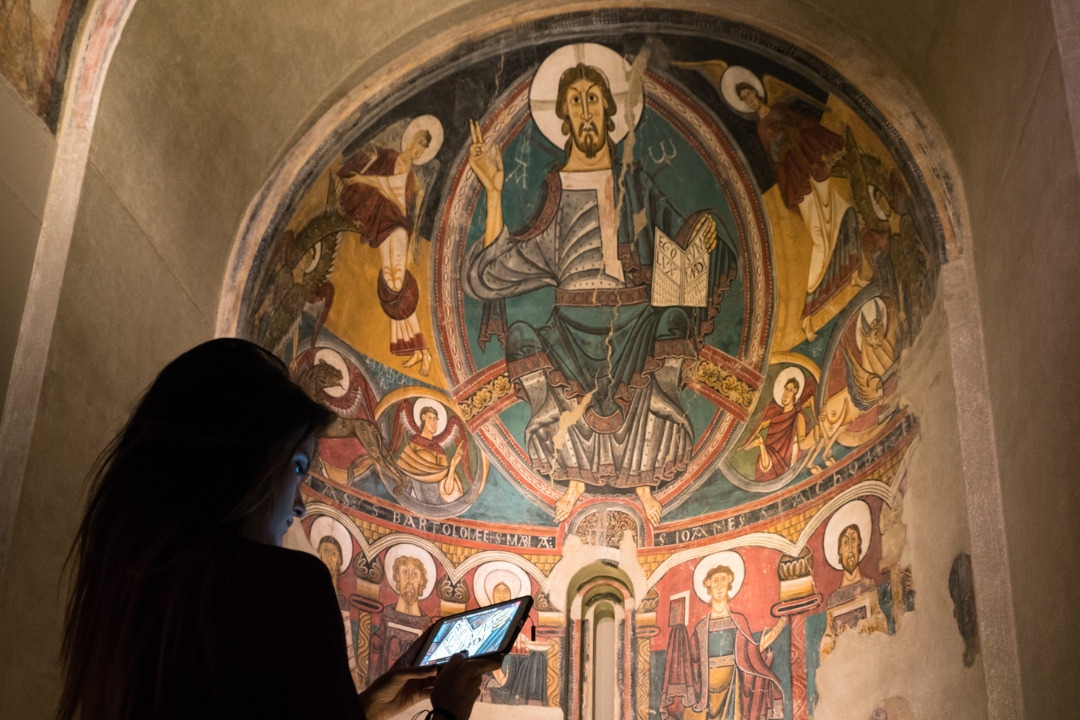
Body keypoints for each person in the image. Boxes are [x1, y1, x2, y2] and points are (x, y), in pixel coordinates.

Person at [59, 338, 498, 720]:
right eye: (299, 467)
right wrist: (447, 711)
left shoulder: (133, 592)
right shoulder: (285, 586)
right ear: (247, 460)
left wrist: (358, 710)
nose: (300, 506)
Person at [462, 62, 738, 526]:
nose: (586, 111)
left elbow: (678, 238)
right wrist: (493, 192)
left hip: (634, 322)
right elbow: (498, 270)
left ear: (609, 111)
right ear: (564, 117)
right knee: (523, 338)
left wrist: (702, 232)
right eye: (576, 102)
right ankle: (572, 477)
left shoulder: (634, 183)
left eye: (593, 99)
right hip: (569, 329)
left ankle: (646, 482)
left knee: (671, 325)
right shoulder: (554, 193)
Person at [338, 129, 434, 375]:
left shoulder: (413, 178)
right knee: (390, 281)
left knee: (399, 281)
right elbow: (374, 179)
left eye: (423, 147)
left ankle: (423, 350)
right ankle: (412, 348)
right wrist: (360, 176)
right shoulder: (389, 157)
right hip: (383, 226)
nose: (419, 149)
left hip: (399, 227)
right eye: (419, 142)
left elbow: (415, 211)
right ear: (411, 139)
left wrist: (414, 242)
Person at [688, 565, 786, 720]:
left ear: (729, 584)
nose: (719, 586)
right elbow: (693, 663)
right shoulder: (700, 628)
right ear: (708, 585)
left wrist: (761, 646)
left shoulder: (739, 621)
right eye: (715, 581)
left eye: (723, 580)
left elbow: (748, 656)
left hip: (734, 684)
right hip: (708, 692)